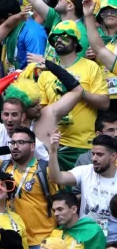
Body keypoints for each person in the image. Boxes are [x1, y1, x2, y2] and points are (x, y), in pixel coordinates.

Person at [38, 21, 109, 169]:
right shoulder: (45, 73)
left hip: (83, 145)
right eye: (56, 37)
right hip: (56, 145)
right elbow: (43, 112)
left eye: (64, 36)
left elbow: (104, 103)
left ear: (76, 42)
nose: (58, 40)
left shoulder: (91, 67)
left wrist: (78, 92)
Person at [9, 0, 91, 61]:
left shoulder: (81, 34)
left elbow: (73, 69)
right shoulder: (57, 18)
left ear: (70, 6)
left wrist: (44, 62)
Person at [0, 0, 48, 73]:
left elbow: (36, 68)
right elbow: (7, 63)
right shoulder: (11, 29)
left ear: (10, 16)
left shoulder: (33, 32)